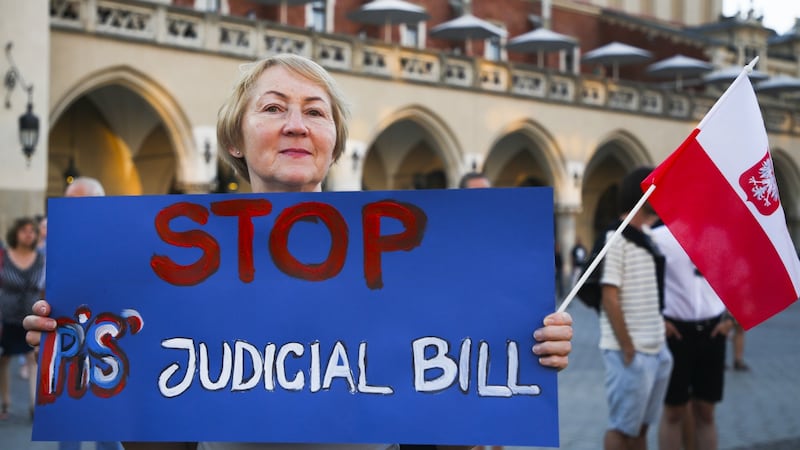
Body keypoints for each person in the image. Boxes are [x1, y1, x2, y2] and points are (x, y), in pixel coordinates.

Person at [24, 54, 573, 450]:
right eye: (273, 108)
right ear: (235, 139)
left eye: (315, 112)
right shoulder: (180, 264)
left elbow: (440, 418)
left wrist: (522, 352)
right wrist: (80, 358)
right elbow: (158, 438)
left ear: (334, 143)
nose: (296, 125)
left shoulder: (404, 260)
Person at [599, 167, 672, 450]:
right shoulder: (616, 238)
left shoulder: (648, 237)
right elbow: (609, 296)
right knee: (621, 428)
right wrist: (628, 346)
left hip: (656, 348)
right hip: (631, 351)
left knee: (641, 427)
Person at [55, 177, 124, 450]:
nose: (74, 211)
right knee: (69, 413)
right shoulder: (60, 241)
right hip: (70, 339)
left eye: (81, 203)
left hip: (112, 341)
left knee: (108, 418)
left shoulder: (119, 240)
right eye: (69, 204)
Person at [652, 224, 734, 450]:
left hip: (713, 330)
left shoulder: (721, 235)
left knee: (706, 411)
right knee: (674, 410)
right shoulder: (659, 237)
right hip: (675, 332)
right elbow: (644, 281)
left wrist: (731, 319)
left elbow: (735, 276)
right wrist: (657, 320)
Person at [0, 216, 44, 421]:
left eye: (32, 231)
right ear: (15, 233)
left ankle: (34, 405)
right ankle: (5, 402)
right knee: (4, 360)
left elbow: (44, 288)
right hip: (6, 317)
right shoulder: (4, 257)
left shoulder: (41, 259)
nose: (29, 234)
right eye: (24, 230)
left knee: (33, 358)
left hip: (31, 317)